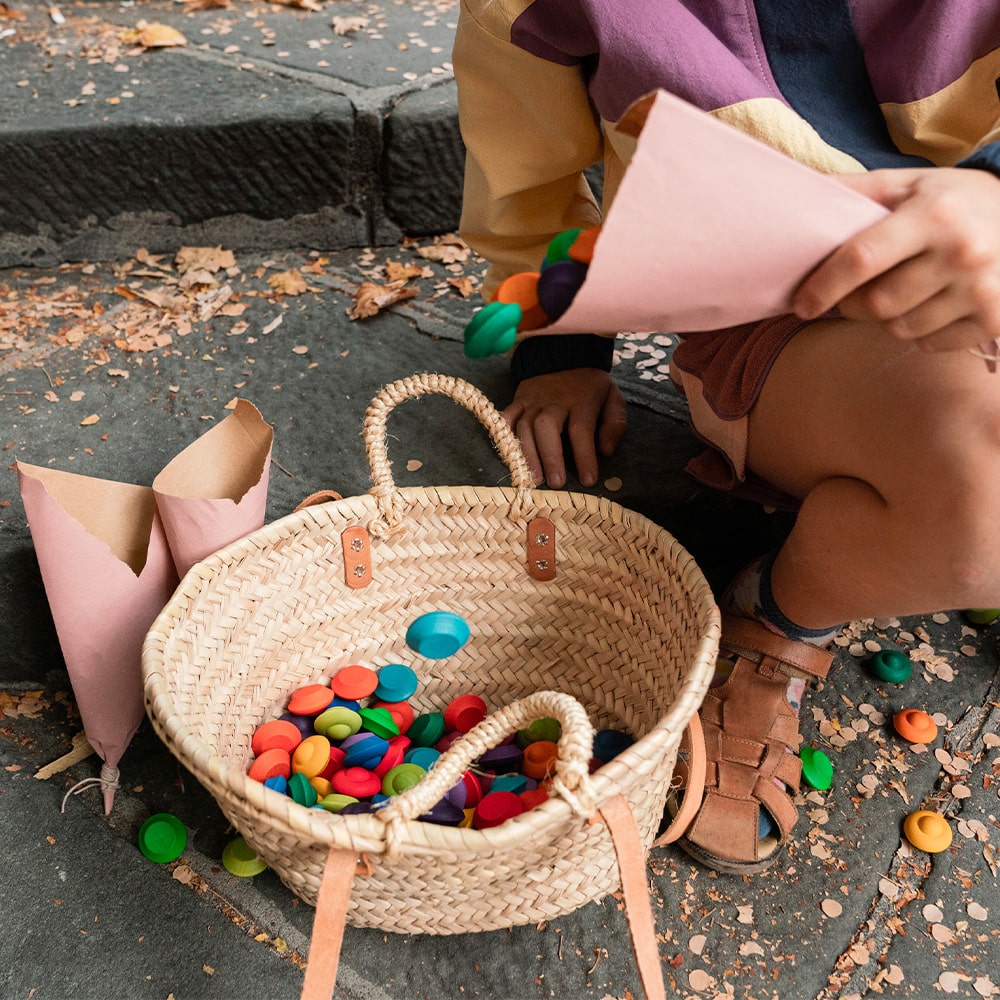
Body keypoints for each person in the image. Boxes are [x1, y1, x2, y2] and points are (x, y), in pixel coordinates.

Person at [453, 1, 1000, 873]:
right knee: (988, 508)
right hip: (788, 306)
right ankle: (778, 613)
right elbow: (526, 184)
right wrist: (559, 340)